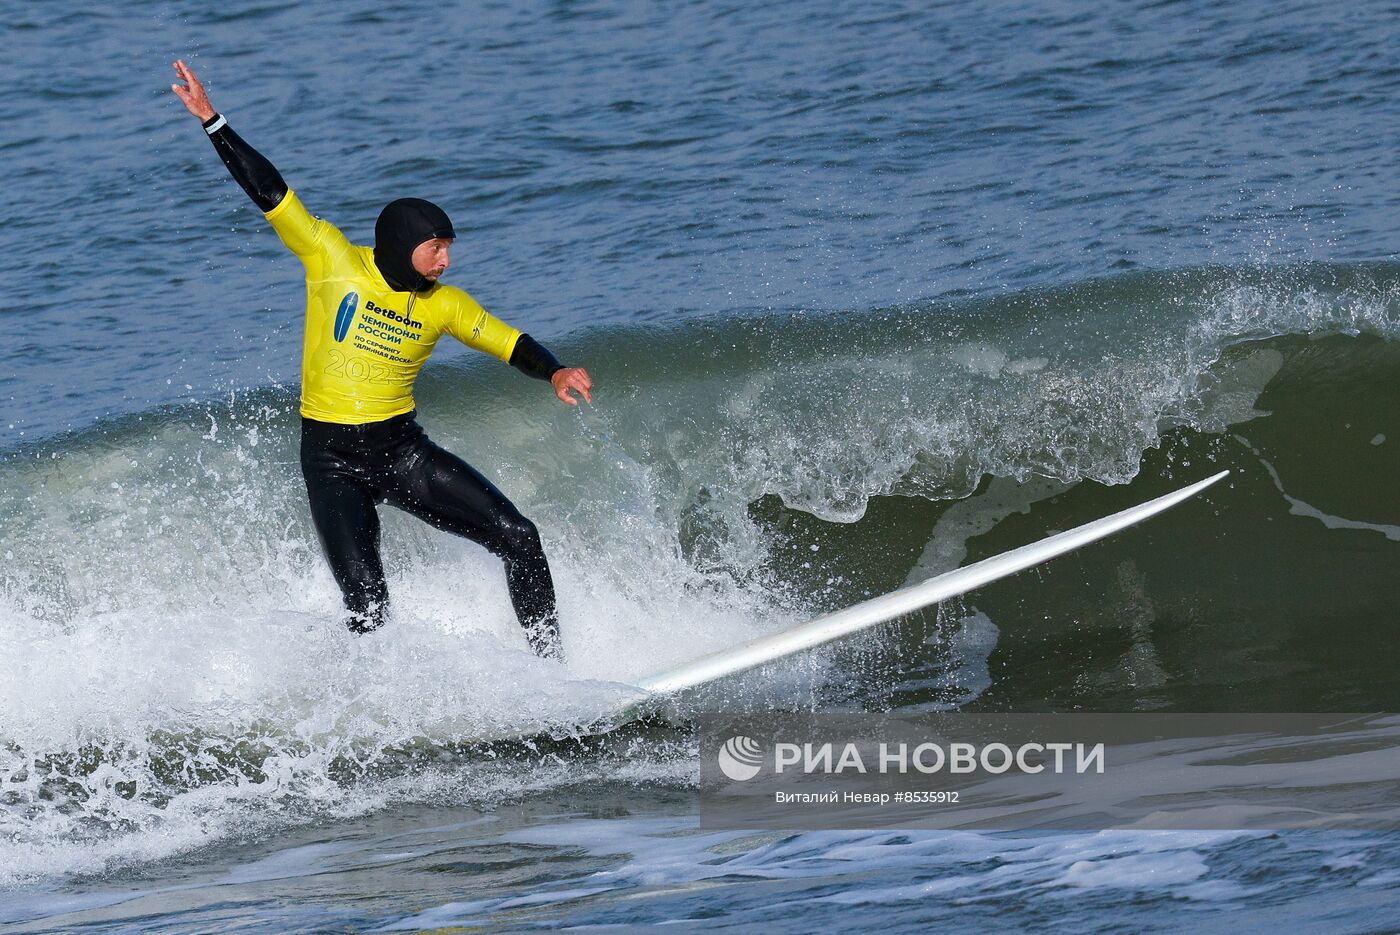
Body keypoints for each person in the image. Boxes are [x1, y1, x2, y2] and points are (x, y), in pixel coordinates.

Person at [170, 59, 590, 659]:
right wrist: (212, 120)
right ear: (401, 246)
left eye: (448, 249)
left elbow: (508, 342)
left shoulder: (444, 304)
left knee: (519, 536)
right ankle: (377, 721)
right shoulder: (331, 259)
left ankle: (553, 673)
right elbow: (270, 191)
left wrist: (554, 370)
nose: (445, 261)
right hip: (332, 460)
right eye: (435, 248)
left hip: (401, 452)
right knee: (367, 605)